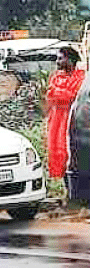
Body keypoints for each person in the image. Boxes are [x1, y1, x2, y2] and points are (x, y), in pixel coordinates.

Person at [45, 46, 85, 196]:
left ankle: (76, 193)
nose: (57, 62)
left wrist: (59, 92)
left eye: (60, 58)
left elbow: (73, 96)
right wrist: (61, 93)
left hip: (72, 120)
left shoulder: (80, 76)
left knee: (70, 153)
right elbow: (50, 94)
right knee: (56, 152)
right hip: (56, 121)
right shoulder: (56, 76)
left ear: (70, 59)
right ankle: (66, 191)